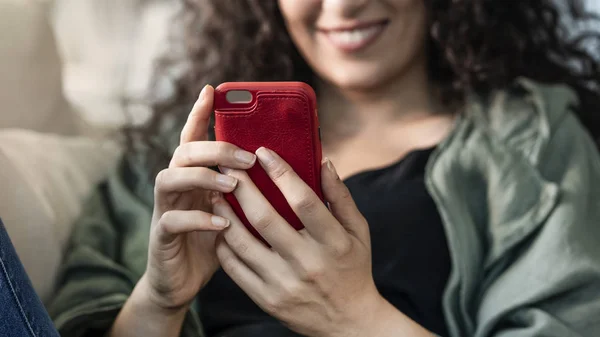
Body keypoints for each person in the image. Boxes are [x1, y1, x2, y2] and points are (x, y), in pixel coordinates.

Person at [46, 0, 600, 336]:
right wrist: (160, 300)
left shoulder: (530, 140)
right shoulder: (188, 149)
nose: (343, 7)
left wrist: (355, 316)